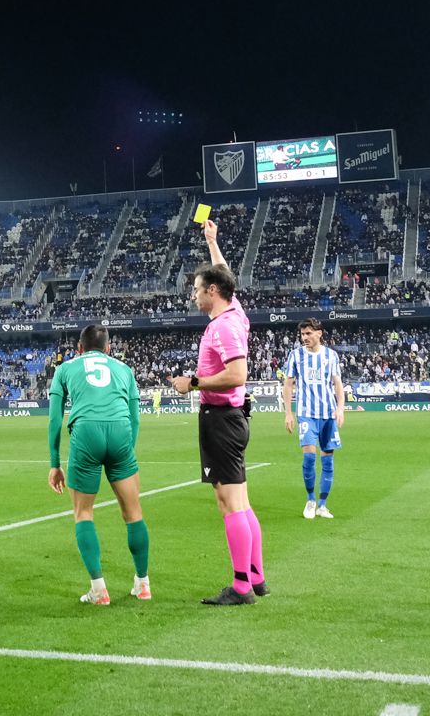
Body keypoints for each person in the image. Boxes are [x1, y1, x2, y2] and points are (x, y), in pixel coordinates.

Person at [169, 220, 268, 606]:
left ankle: (241, 587)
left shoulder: (223, 327)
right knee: (241, 501)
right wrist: (212, 243)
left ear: (212, 292)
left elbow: (237, 373)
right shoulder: (235, 312)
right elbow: (225, 276)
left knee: (229, 503)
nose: (193, 296)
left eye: (197, 290)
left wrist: (191, 383)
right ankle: (256, 576)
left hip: (222, 421)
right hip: (234, 419)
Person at [48, 325, 151, 606]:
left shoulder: (65, 369)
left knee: (83, 514)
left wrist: (54, 463)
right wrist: (127, 452)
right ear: (108, 349)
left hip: (86, 433)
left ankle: (99, 590)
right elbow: (135, 418)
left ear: (79, 348)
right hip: (120, 432)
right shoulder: (123, 369)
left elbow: (55, 421)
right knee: (133, 513)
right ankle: (143, 584)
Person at [282, 318, 345, 520]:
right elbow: (288, 384)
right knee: (309, 457)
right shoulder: (295, 355)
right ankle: (310, 500)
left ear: (319, 333)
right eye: (302, 334)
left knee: (328, 461)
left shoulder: (331, 356)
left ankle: (323, 505)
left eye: (308, 333)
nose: (304, 338)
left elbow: (337, 384)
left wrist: (340, 409)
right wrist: (288, 413)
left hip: (328, 414)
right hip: (306, 412)